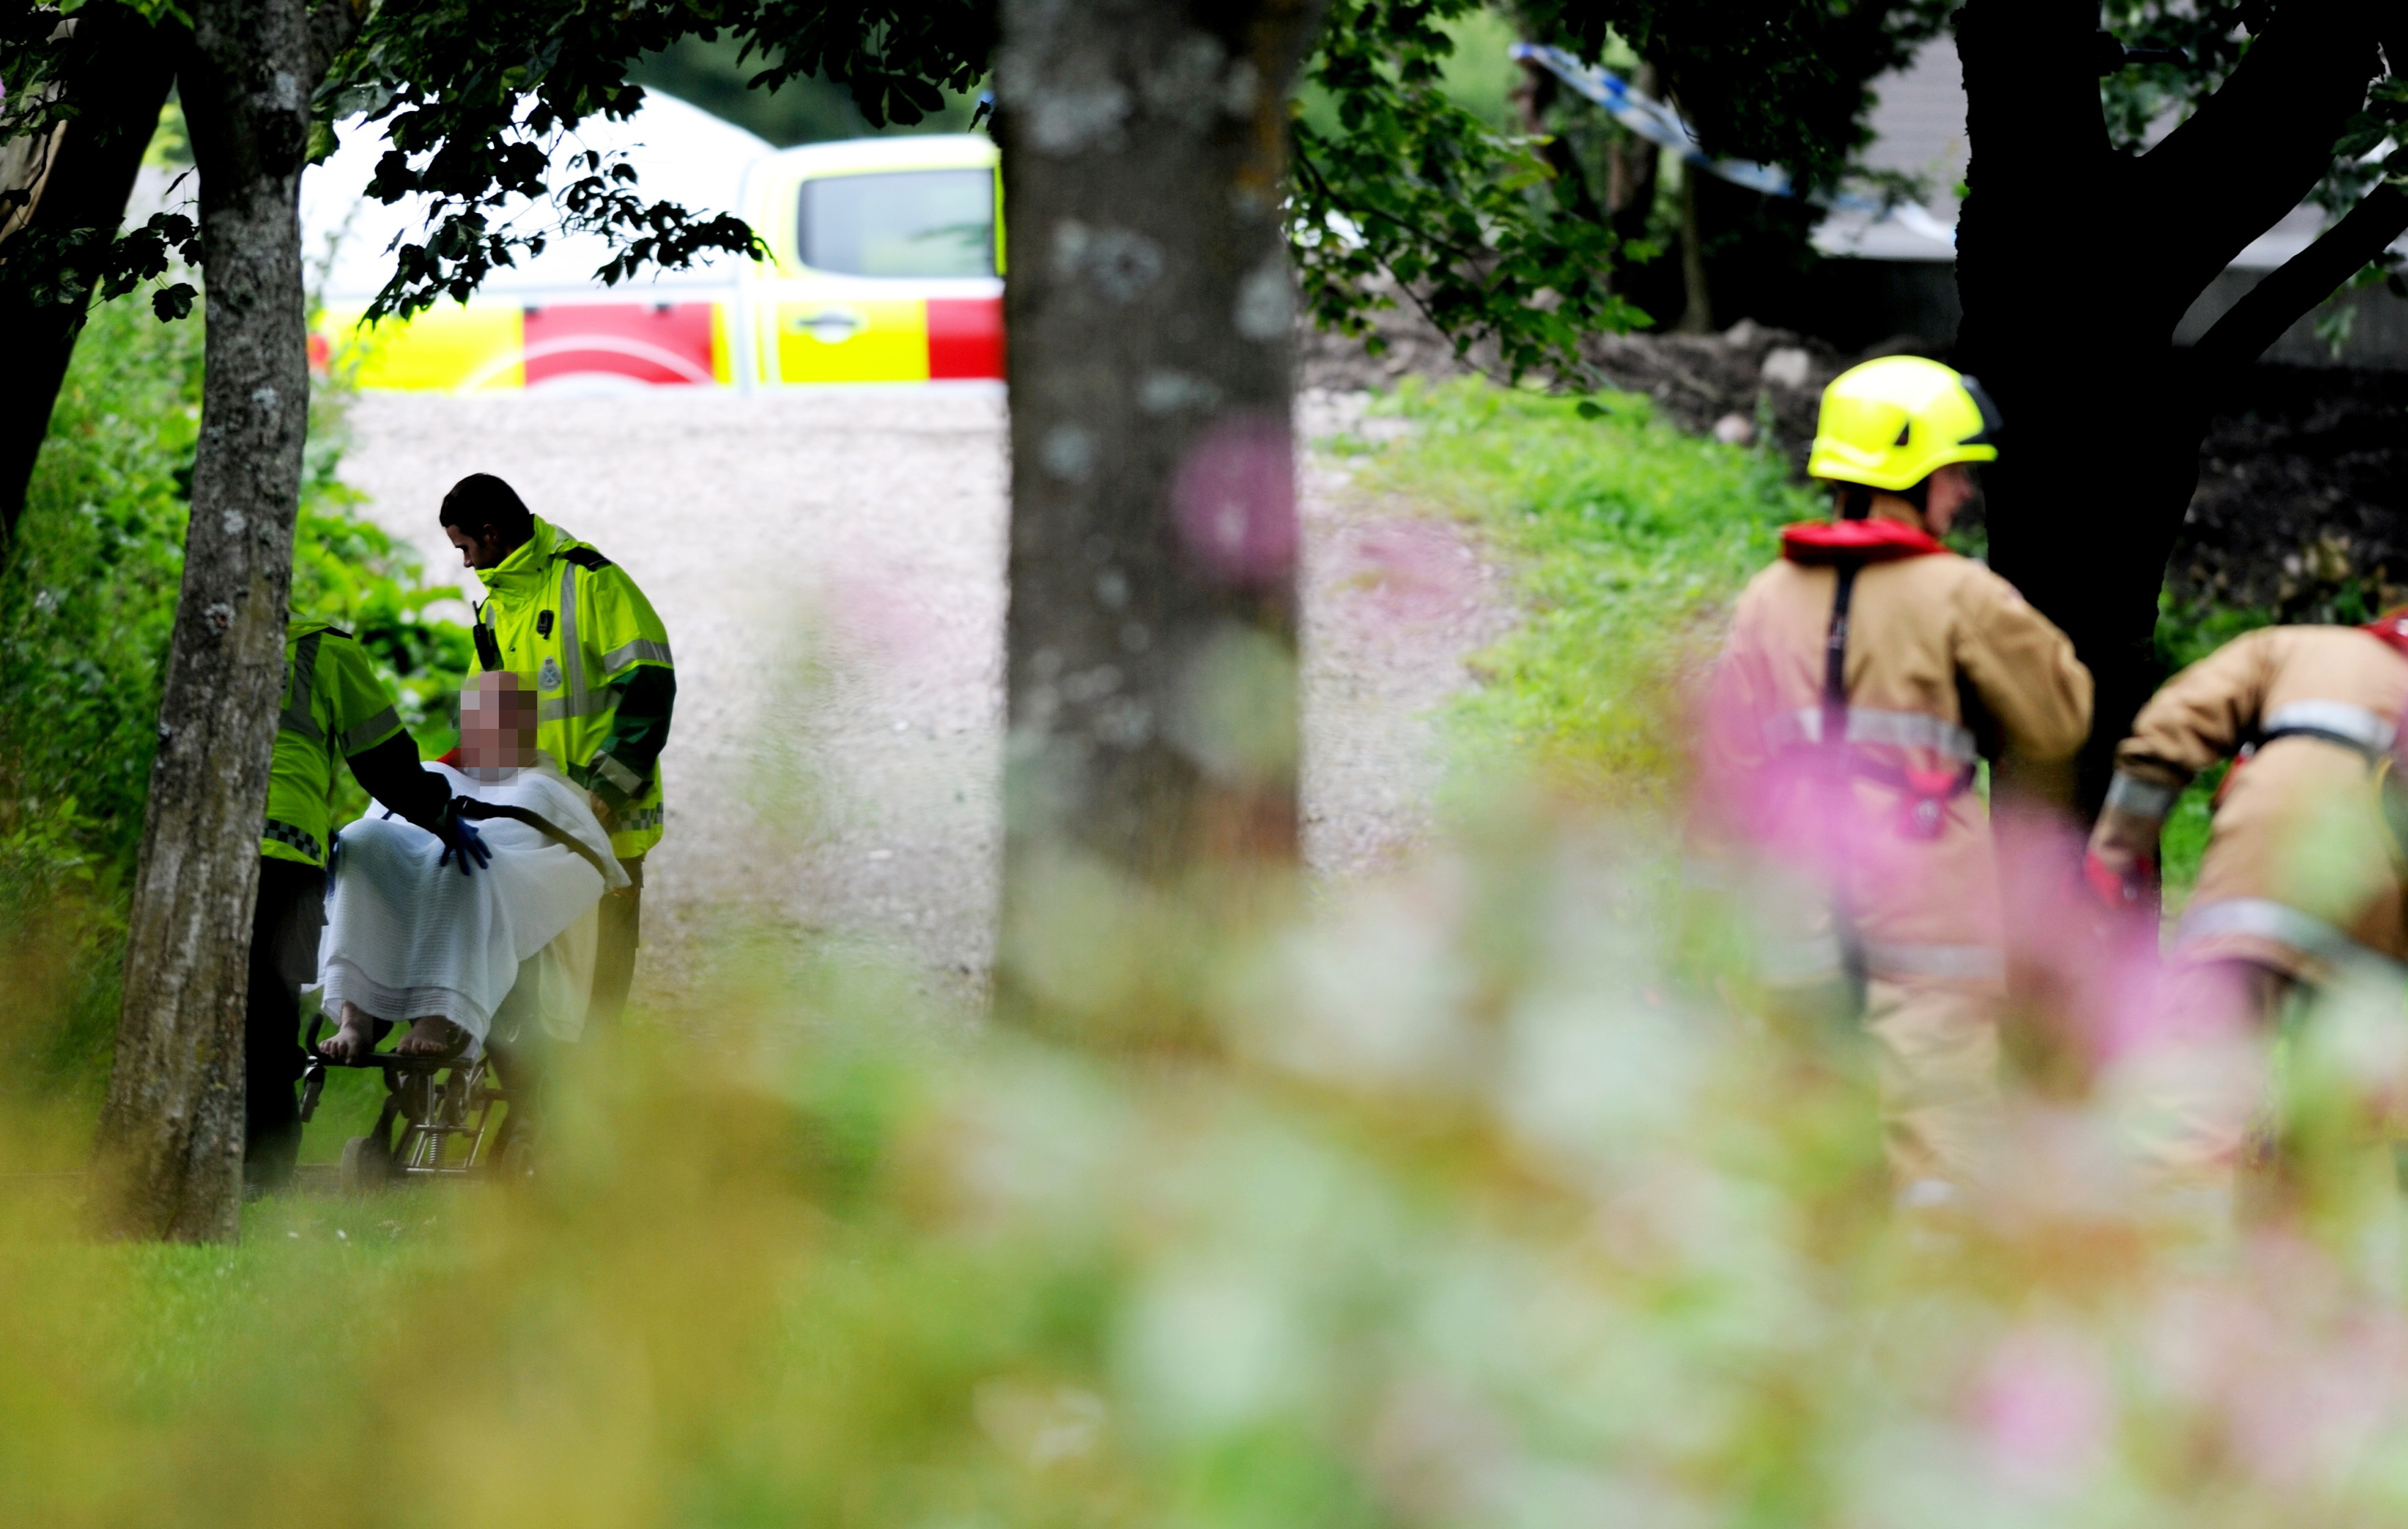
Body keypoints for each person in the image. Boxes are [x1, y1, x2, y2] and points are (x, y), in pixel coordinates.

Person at [1702, 355, 2093, 1203]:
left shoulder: (1766, 598)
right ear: (1908, 474)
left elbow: (1725, 771)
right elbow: (2060, 719)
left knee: (1801, 1136)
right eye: (1953, 472)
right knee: (1938, 1142)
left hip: (1794, 906)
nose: (1962, 492)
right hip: (1928, 913)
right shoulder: (1959, 594)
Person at [2084, 613, 2408, 1208]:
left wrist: (2116, 848)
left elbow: (2165, 731)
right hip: (2376, 921)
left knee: (2195, 1100)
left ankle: (2182, 1256)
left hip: (2254, 886)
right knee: (2347, 1135)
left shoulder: (2295, 648)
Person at [246, 617, 486, 1191]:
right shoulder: (320, 650)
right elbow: (382, 757)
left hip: (200, 847)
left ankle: (193, 1153)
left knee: (203, 1010)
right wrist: (437, 814)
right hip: (282, 852)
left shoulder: (209, 632)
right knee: (269, 1017)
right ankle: (261, 1170)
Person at [438, 473, 674, 1028]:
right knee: (533, 993)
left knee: (596, 991)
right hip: (533, 830)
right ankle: (535, 1107)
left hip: (605, 826)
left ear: (491, 534)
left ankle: (585, 1109)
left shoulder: (591, 582)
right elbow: (485, 721)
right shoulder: (499, 606)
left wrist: (609, 790)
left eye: (466, 548)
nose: (467, 564)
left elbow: (649, 686)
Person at [316, 670, 628, 1063]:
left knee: (458, 864)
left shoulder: (550, 786)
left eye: (504, 719)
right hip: (418, 854)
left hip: (494, 867)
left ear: (526, 727)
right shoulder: (432, 775)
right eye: (479, 718)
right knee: (362, 840)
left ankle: (435, 1014)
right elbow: (389, 816)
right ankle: (355, 1016)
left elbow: (573, 856)